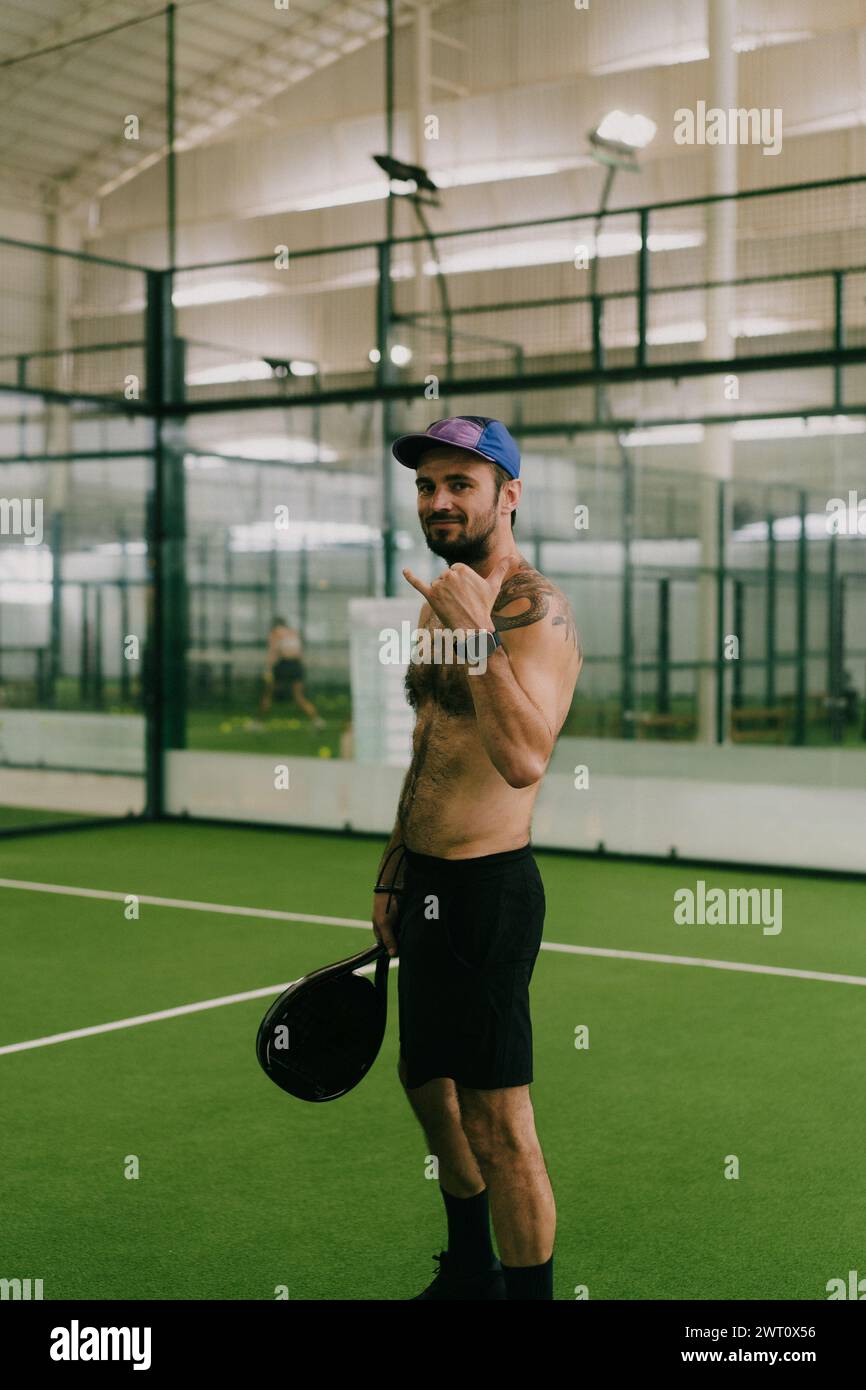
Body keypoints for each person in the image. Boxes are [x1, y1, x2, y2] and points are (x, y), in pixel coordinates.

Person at [372, 415, 582, 1300]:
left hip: (490, 893)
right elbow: (430, 743)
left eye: (461, 483)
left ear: (509, 494)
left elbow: (526, 756)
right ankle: (469, 1272)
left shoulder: (536, 609)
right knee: (427, 1085)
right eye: (427, 485)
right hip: (422, 882)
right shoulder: (440, 593)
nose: (440, 500)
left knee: (501, 1119)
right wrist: (393, 865)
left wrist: (476, 635)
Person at [257, 618, 324, 727]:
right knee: (299, 697)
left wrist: (269, 669)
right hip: (296, 666)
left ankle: (258, 722)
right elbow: (299, 652)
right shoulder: (294, 633)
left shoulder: (275, 633)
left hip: (283, 665)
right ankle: (317, 720)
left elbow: (273, 652)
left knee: (268, 694)